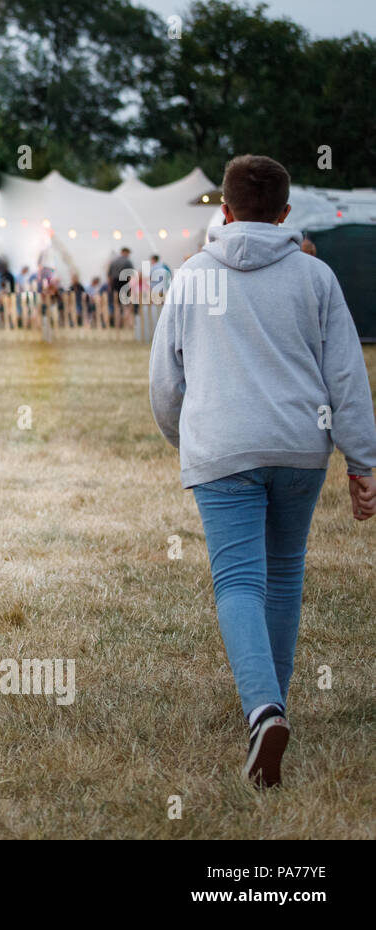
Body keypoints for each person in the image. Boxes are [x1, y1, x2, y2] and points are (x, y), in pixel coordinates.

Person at [149, 154, 376, 788]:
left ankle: (263, 709)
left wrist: (183, 438)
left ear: (223, 212)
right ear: (285, 214)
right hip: (303, 446)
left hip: (223, 446)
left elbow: (166, 379)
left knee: (240, 582)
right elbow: (346, 377)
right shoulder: (316, 276)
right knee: (284, 574)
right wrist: (364, 460)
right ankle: (270, 703)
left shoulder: (192, 276)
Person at [107, 247, 134, 328]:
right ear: (125, 252)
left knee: (117, 306)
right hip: (124, 283)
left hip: (115, 284)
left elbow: (109, 276)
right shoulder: (128, 261)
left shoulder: (113, 262)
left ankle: (117, 324)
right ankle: (126, 324)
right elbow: (131, 275)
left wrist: (111, 287)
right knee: (126, 305)